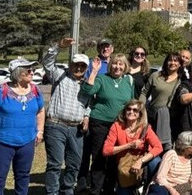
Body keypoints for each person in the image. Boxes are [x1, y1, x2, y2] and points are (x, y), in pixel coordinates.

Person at [0, 58, 44, 195]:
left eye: (33, 69)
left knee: (23, 175)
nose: (32, 72)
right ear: (18, 73)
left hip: (27, 140)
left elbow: (41, 111)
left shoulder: (35, 90)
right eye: (28, 70)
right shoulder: (0, 91)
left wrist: (40, 131)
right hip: (2, 141)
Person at [80, 54, 135, 195]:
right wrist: (93, 71)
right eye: (115, 64)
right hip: (100, 123)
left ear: (125, 66)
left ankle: (109, 189)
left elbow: (131, 102)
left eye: (121, 64)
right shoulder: (102, 78)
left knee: (114, 157)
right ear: (110, 65)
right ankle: (96, 190)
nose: (118, 67)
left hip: (119, 124)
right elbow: (87, 90)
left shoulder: (129, 80)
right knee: (99, 156)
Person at [42, 38, 91, 195]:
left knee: (74, 164)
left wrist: (86, 116)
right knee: (55, 164)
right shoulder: (60, 76)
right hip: (56, 125)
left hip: (76, 129)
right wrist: (58, 46)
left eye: (82, 66)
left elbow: (89, 105)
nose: (78, 68)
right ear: (71, 65)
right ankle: (52, 193)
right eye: (76, 64)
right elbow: (48, 64)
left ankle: (67, 190)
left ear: (86, 68)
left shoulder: (87, 85)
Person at [101, 100, 162, 195]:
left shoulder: (145, 128)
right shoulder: (117, 126)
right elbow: (106, 150)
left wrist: (140, 161)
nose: (131, 112)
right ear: (125, 111)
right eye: (128, 109)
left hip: (142, 165)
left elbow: (158, 147)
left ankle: (148, 186)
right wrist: (129, 145)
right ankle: (134, 188)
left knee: (156, 161)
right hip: (124, 167)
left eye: (135, 110)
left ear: (140, 114)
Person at [140, 52, 185, 151]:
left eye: (175, 61)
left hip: (171, 118)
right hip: (153, 115)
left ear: (180, 64)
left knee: (167, 148)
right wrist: (140, 108)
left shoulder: (182, 80)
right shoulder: (156, 76)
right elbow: (144, 93)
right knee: (151, 146)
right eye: (170, 60)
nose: (172, 63)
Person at [149, 131, 192, 195]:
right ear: (185, 145)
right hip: (165, 186)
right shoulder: (171, 155)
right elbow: (160, 178)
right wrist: (171, 190)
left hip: (182, 189)